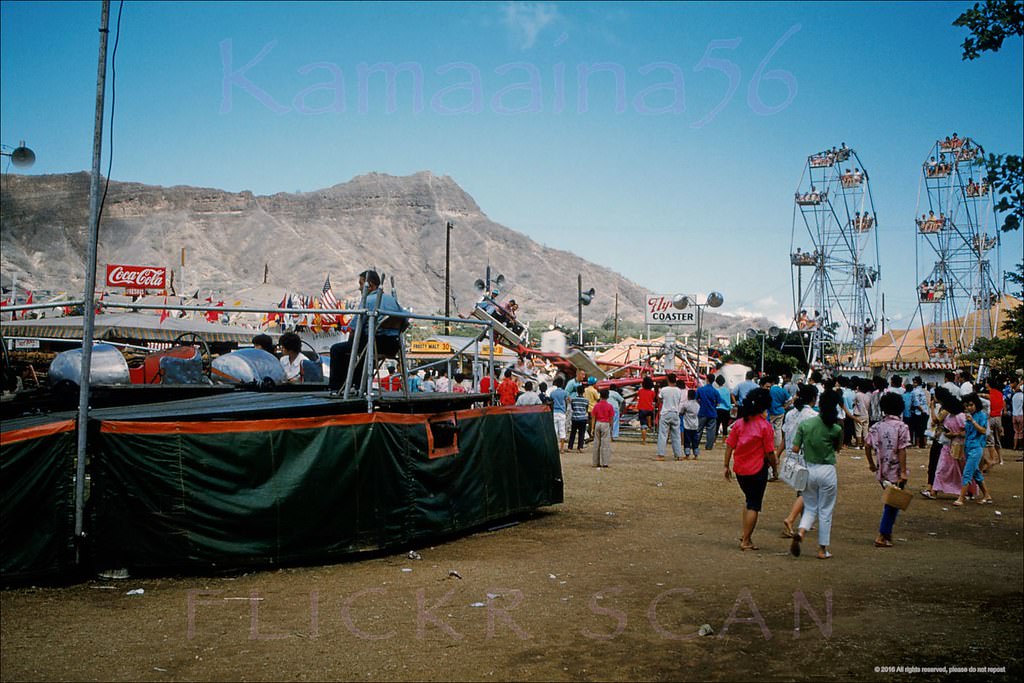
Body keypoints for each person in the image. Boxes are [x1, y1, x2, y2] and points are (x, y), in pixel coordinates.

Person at [328, 270, 406, 393]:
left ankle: (337, 388)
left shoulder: (368, 300)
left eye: (361, 284)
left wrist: (351, 342)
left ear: (370, 285)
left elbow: (355, 327)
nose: (359, 288)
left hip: (374, 344)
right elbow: (405, 319)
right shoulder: (392, 300)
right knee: (358, 350)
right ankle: (359, 385)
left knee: (338, 349)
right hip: (393, 345)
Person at [790, 389, 843, 560]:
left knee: (811, 507)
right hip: (827, 469)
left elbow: (795, 448)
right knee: (825, 511)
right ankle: (822, 549)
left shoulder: (806, 425)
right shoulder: (835, 428)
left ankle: (801, 531)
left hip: (809, 469)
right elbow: (837, 448)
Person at [723, 388, 776, 551]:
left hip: (740, 469)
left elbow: (729, 445)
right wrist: (775, 467)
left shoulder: (739, 424)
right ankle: (746, 540)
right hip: (757, 470)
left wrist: (726, 465)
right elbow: (769, 452)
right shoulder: (765, 427)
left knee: (749, 500)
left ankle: (746, 534)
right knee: (754, 504)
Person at [865, 392, 911, 548]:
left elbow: (867, 446)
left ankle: (886, 533)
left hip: (882, 471)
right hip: (896, 470)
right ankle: (883, 534)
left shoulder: (876, 426)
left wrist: (871, 463)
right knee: (892, 504)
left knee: (891, 502)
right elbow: (902, 450)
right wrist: (904, 471)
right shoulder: (902, 427)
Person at [780, 385, 819, 539]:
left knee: (802, 489)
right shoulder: (813, 416)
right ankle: (790, 519)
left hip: (792, 456)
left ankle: (805, 519)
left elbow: (785, 435)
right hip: (806, 455)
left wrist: (778, 454)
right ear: (813, 398)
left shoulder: (790, 414)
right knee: (808, 491)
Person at [955, 393, 993, 506]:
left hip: (976, 448)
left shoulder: (981, 416)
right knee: (976, 473)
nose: (969, 408)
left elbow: (982, 430)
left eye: (971, 405)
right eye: (966, 406)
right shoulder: (969, 417)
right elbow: (967, 432)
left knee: (967, 473)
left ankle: (961, 498)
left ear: (976, 404)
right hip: (969, 447)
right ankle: (987, 495)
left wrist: (972, 422)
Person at [656, 373, 684, 461]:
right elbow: (679, 400)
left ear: (668, 379)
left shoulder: (664, 390)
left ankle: (661, 455)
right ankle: (678, 454)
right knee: (676, 435)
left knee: (663, 434)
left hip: (665, 412)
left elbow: (659, 399)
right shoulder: (679, 390)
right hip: (675, 413)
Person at [696, 374, 721, 451]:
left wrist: (701, 403)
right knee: (711, 431)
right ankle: (709, 446)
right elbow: (718, 403)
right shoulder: (715, 391)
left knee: (699, 430)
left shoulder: (700, 390)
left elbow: (696, 399)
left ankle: (695, 444)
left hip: (702, 412)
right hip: (712, 413)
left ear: (706, 379)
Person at [591, 389, 616, 468]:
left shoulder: (596, 405)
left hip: (598, 423)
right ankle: (605, 462)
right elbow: (611, 418)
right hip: (605, 424)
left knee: (596, 444)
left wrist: (592, 428)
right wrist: (611, 428)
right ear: (607, 396)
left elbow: (593, 417)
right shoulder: (610, 406)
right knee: (605, 444)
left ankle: (595, 462)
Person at [680, 389, 701, 459]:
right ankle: (696, 454)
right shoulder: (697, 405)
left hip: (687, 425)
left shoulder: (686, 404)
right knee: (695, 441)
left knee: (687, 441)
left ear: (688, 396)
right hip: (695, 425)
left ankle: (687, 454)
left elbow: (681, 411)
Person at [549, 377, 569, 453]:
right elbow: (568, 399)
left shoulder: (553, 393)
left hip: (555, 412)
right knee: (562, 430)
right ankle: (562, 448)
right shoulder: (565, 392)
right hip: (562, 413)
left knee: (555, 430)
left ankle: (555, 447)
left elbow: (550, 399)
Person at [568, 385, 589, 452]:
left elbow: (573, 408)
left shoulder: (573, 400)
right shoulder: (586, 400)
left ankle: (570, 447)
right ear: (583, 392)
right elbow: (586, 409)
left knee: (573, 433)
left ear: (577, 391)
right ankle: (580, 447)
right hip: (583, 418)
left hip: (575, 418)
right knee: (581, 433)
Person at [637, 375, 657, 445]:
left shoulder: (640, 391)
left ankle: (644, 440)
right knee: (649, 417)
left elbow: (638, 396)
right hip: (650, 409)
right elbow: (653, 398)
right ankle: (650, 425)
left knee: (643, 426)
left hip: (642, 409)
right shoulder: (652, 392)